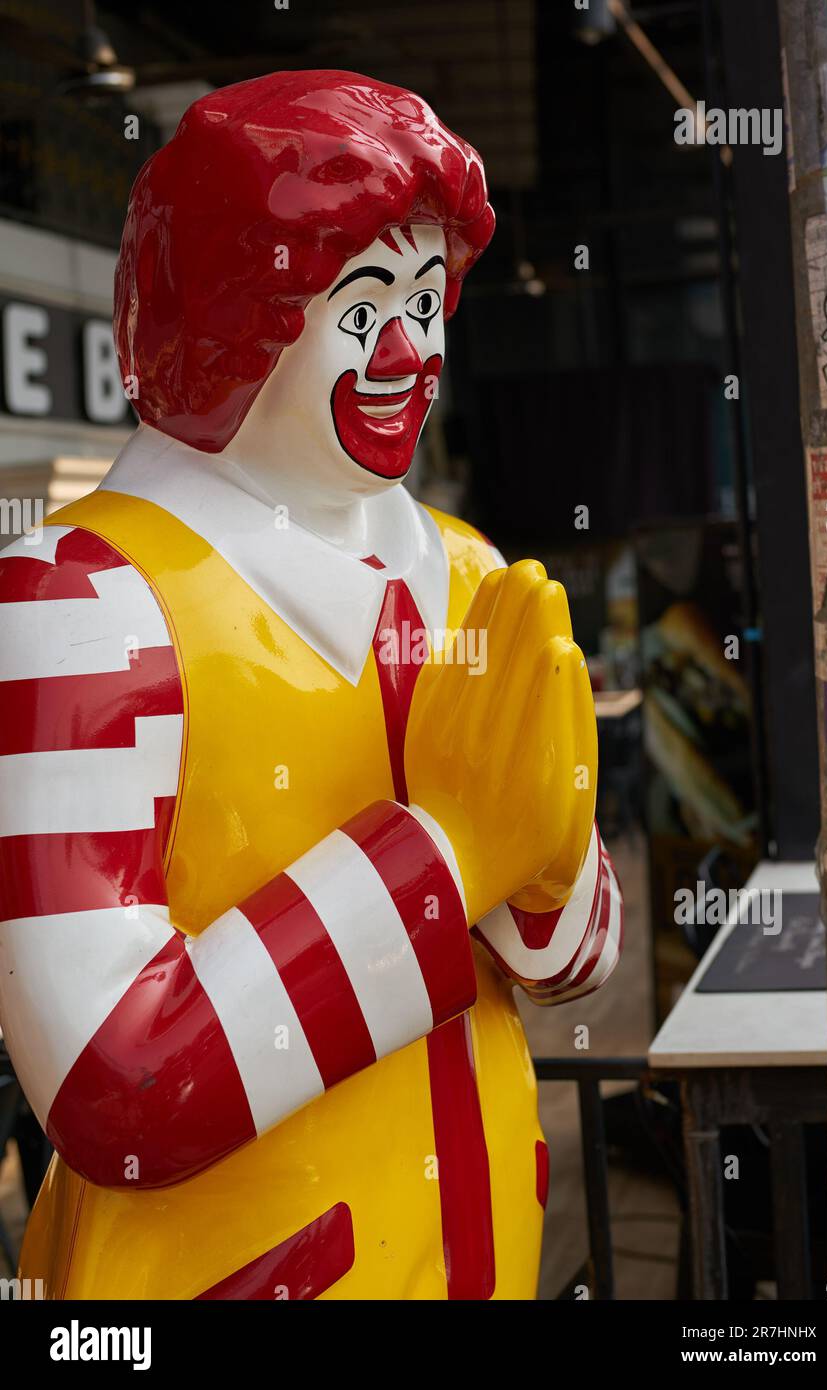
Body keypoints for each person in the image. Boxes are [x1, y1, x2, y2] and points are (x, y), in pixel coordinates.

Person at [0, 70, 621, 1300]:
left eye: (430, 298)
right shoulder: (75, 600)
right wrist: (445, 858)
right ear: (241, 311)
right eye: (363, 303)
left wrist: (545, 868)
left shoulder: (470, 572)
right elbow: (109, 1086)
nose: (411, 350)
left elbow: (569, 963)